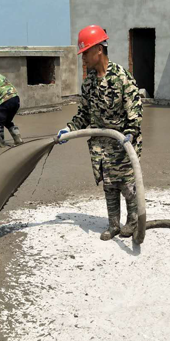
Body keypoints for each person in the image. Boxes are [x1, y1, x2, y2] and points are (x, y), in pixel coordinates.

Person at [57, 25, 143, 241]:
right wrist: (69, 129)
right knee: (109, 186)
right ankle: (113, 225)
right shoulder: (88, 84)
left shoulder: (121, 77)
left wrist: (130, 133)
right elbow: (83, 114)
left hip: (122, 143)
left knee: (127, 186)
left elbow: (135, 109)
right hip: (100, 147)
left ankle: (133, 222)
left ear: (98, 50)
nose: (83, 58)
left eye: (85, 52)